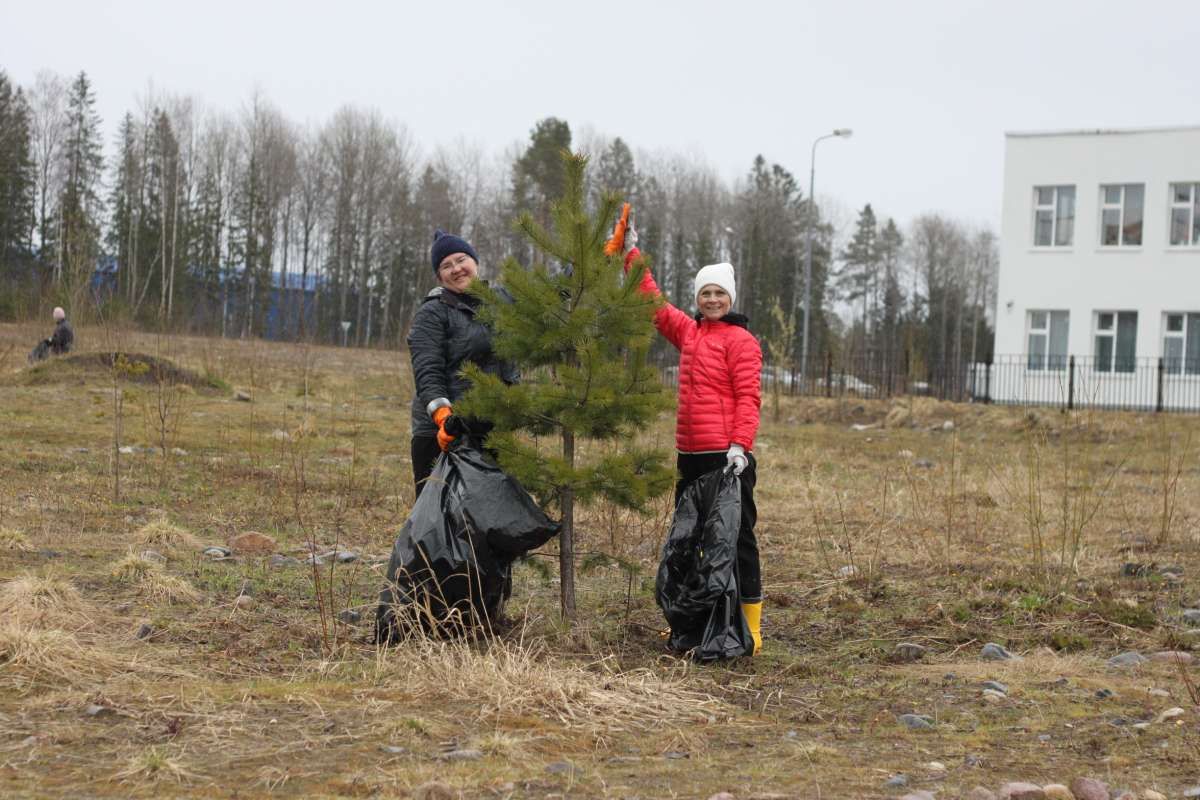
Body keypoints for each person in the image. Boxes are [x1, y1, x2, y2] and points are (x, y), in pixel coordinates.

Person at [614, 221, 765, 655]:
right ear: (697, 299)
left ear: (730, 298)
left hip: (726, 457)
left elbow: (748, 397)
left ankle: (751, 629)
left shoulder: (742, 342)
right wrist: (632, 254)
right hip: (691, 455)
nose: (712, 299)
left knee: (737, 540)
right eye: (705, 293)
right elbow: (653, 303)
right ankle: (695, 624)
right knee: (692, 541)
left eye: (719, 293)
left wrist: (740, 446)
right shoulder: (690, 334)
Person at [407, 230, 518, 498]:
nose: (456, 269)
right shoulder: (432, 313)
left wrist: (607, 253)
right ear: (439, 277)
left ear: (475, 262)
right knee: (439, 518)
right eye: (446, 266)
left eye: (461, 259)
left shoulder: (502, 299)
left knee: (490, 513)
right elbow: (427, 371)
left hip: (492, 425)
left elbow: (552, 291)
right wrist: (443, 416)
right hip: (444, 432)